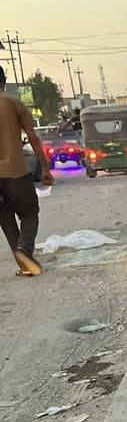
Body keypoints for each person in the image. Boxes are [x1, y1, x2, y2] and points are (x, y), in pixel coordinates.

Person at [0, 66, 53, 276]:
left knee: (5, 218)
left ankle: (24, 265)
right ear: (3, 81)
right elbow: (32, 136)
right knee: (30, 213)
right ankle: (24, 249)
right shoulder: (13, 103)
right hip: (14, 172)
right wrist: (45, 168)